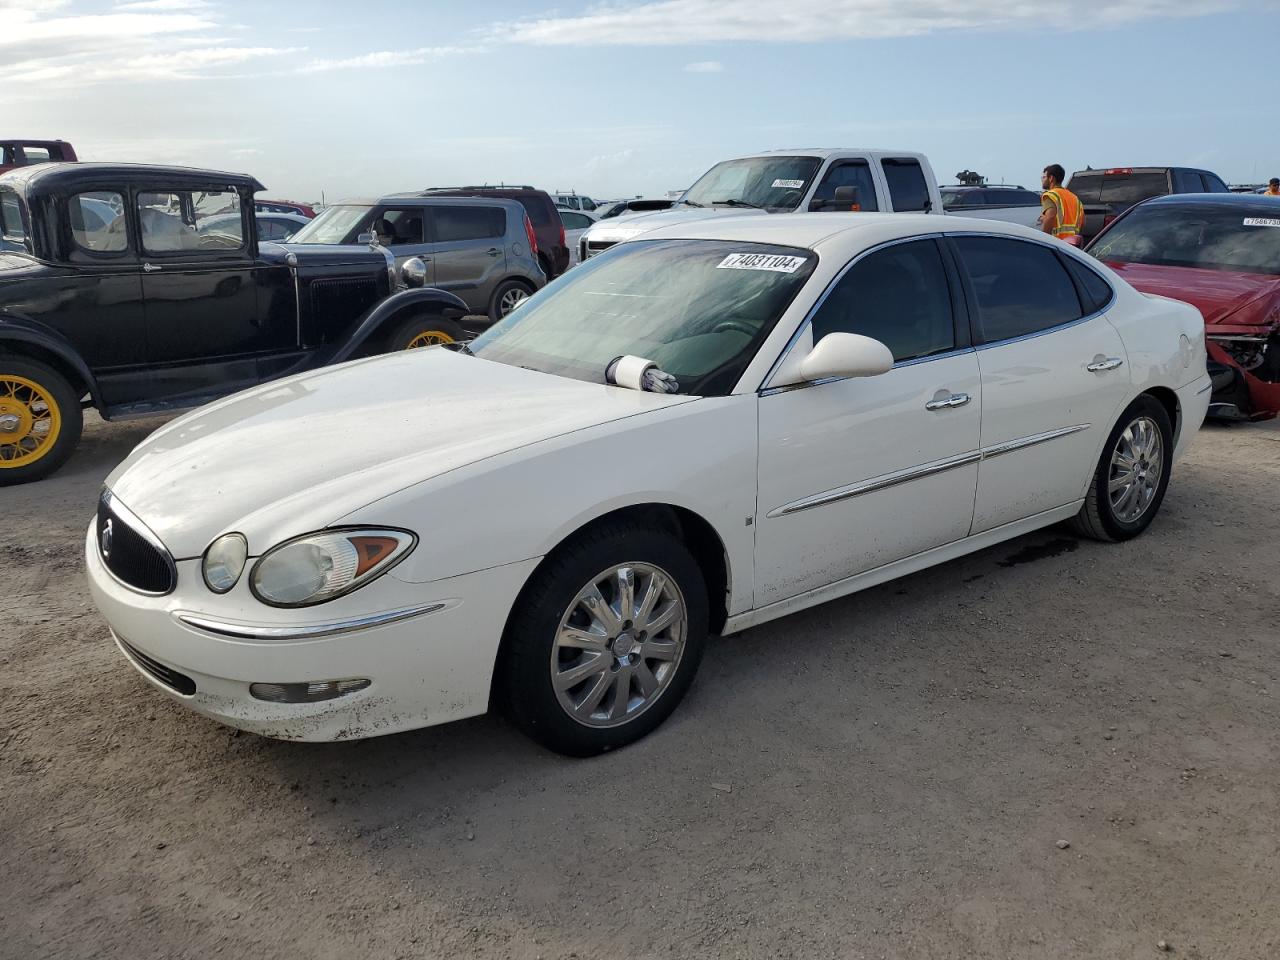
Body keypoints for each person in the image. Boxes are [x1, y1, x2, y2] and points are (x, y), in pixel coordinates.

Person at [1038, 164, 1084, 244]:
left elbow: (1050, 217)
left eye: (1044, 177)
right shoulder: (1075, 198)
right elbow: (1083, 222)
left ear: (1051, 178)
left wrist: (1043, 241)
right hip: (1072, 247)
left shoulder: (1050, 195)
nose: (1042, 180)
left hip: (1056, 244)